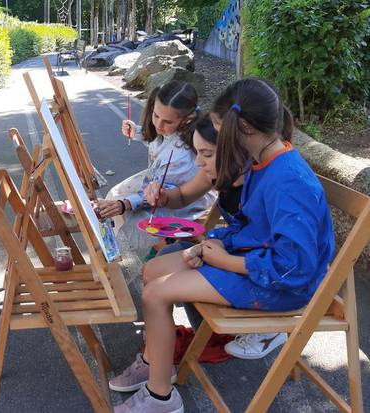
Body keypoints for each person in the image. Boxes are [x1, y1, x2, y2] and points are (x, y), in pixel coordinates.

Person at [110, 77, 335, 413]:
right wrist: (211, 244)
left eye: (219, 134)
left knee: (155, 293)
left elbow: (293, 267)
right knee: (154, 270)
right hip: (255, 260)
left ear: (242, 128)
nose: (209, 154)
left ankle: (161, 398)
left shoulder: (287, 180)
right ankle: (155, 359)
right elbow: (251, 228)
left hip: (282, 285)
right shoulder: (265, 161)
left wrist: (226, 261)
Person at [141, 115, 288, 360]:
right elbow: (182, 196)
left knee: (170, 274)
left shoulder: (264, 180)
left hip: (255, 266)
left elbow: (285, 256)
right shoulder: (219, 170)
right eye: (197, 153)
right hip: (238, 252)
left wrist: (219, 251)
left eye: (206, 154)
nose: (198, 162)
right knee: (167, 259)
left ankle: (205, 340)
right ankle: (185, 340)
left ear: (235, 149)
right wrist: (165, 197)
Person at [98, 80, 215, 259]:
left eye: (167, 121)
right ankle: (157, 248)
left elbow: (169, 193)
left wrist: (126, 204)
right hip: (162, 189)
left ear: (187, 120)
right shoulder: (172, 133)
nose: (159, 125)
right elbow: (159, 141)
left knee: (133, 222)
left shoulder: (182, 155)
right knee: (117, 196)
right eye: (155, 116)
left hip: (184, 201)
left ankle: (158, 249)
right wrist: (137, 132)